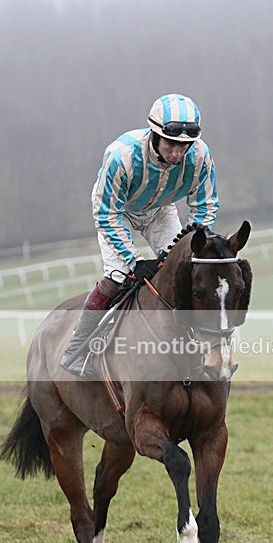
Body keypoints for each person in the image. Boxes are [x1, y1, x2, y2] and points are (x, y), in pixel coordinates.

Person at [60, 93, 220, 376]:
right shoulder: (121, 155)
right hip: (117, 212)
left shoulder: (200, 156)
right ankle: (78, 349)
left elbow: (205, 205)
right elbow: (106, 214)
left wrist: (196, 240)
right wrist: (134, 260)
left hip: (160, 211)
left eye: (184, 145)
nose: (176, 153)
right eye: (171, 143)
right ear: (155, 135)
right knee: (119, 276)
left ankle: (197, 349)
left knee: (189, 269)